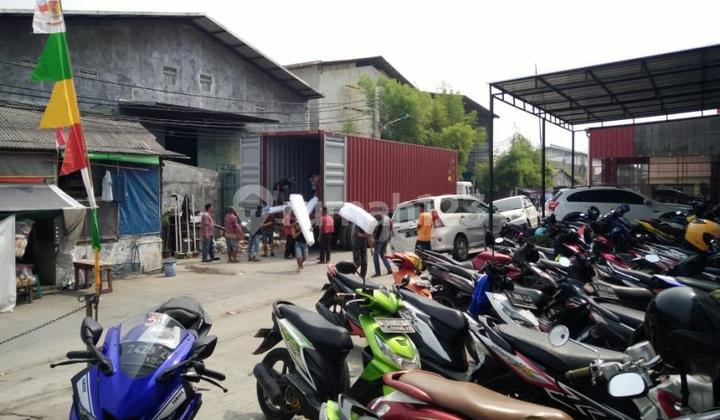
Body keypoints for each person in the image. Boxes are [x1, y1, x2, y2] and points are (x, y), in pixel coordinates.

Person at [372, 209, 393, 277]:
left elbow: (378, 232)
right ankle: (389, 269)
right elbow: (391, 227)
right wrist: (389, 236)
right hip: (386, 239)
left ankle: (378, 272)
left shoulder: (381, 221)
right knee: (383, 255)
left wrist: (374, 240)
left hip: (380, 241)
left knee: (375, 256)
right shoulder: (387, 218)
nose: (376, 217)